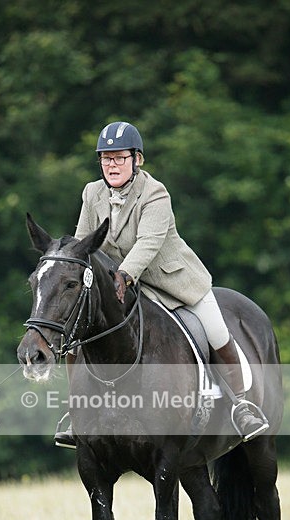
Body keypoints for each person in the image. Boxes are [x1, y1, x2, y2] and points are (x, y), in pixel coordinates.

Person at [55, 120, 269, 447]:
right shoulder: (91, 193)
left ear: (137, 159)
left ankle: (242, 405)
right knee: (77, 336)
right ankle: (77, 411)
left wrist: (124, 275)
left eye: (120, 158)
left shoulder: (155, 192)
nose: (112, 165)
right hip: (122, 286)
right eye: (106, 158)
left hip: (171, 281)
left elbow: (149, 243)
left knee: (216, 329)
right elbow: (83, 243)